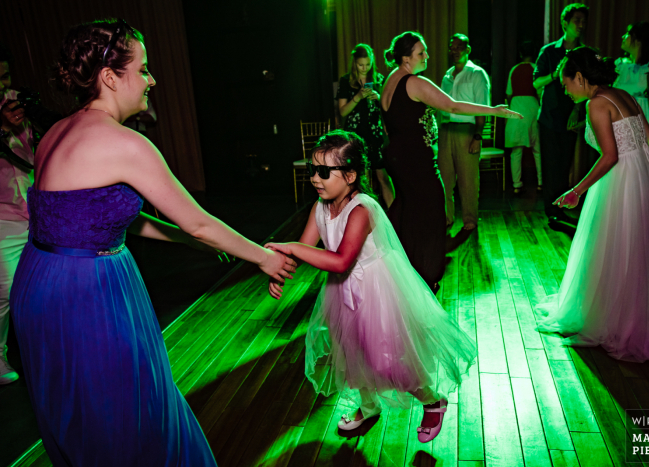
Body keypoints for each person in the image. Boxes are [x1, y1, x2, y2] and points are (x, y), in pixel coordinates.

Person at [10, 19, 296, 466]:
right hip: (90, 292)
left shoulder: (54, 134)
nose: (152, 80)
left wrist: (192, 243)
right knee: (125, 411)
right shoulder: (125, 144)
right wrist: (264, 258)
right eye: (143, 69)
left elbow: (102, 216)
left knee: (78, 407)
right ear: (110, 77)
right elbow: (199, 222)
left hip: (41, 282)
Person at [265, 130, 476, 443]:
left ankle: (433, 400)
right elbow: (306, 246)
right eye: (313, 170)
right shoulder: (320, 208)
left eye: (324, 172)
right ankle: (368, 404)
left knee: (385, 359)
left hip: (376, 290)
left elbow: (340, 261)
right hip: (342, 292)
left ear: (350, 175)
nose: (315, 179)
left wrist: (291, 248)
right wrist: (280, 270)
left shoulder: (362, 210)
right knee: (352, 354)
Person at [533, 47, 649, 363]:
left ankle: (617, 321)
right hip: (647, 177)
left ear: (580, 77)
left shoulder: (596, 104)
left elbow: (609, 156)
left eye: (566, 82)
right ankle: (645, 316)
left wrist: (577, 190)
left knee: (616, 247)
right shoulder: (624, 94)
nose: (565, 89)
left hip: (621, 180)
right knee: (642, 247)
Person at [379, 31, 521, 292]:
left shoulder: (389, 80)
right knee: (433, 213)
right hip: (417, 161)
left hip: (398, 158)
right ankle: (427, 273)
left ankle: (403, 270)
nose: (427, 56)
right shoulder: (413, 81)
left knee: (409, 211)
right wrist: (494, 111)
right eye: (421, 53)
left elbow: (390, 127)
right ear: (406, 58)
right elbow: (452, 106)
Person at [0, 46, 38, 386]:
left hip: (31, 206)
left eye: (6, 76)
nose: (3, 85)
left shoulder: (15, 101)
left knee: (37, 284)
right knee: (7, 289)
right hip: (1, 217)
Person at [534, 3, 589, 223]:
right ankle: (551, 210)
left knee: (564, 164)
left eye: (583, 21)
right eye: (577, 20)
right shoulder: (548, 51)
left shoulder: (584, 54)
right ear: (564, 23)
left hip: (571, 117)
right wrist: (554, 76)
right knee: (550, 164)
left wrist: (577, 111)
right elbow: (536, 82)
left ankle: (560, 206)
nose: (581, 25)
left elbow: (588, 88)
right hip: (548, 117)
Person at [438, 34, 490, 230]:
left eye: (460, 47)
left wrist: (478, 135)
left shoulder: (477, 74)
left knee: (468, 179)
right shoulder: (447, 75)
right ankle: (446, 217)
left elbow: (482, 107)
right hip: (446, 130)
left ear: (468, 49)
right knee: (444, 178)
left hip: (467, 130)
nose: (455, 50)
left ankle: (470, 219)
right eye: (452, 47)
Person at [336, 44, 394, 207]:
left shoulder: (379, 79)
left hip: (375, 136)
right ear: (354, 63)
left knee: (383, 176)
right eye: (361, 65)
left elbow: (388, 109)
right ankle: (362, 216)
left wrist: (380, 98)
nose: (364, 68)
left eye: (368, 64)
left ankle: (394, 217)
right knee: (358, 178)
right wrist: (358, 96)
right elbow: (342, 112)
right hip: (355, 135)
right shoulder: (346, 81)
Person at [614, 22, 649, 156]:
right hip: (621, 119)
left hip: (643, 118)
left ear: (638, 40)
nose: (623, 36)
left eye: (627, 34)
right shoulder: (620, 65)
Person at [505, 40, 543, 194]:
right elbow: (540, 93)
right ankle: (541, 182)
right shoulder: (536, 69)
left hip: (516, 106)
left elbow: (508, 93)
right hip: (533, 107)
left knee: (516, 150)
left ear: (520, 54)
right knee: (537, 149)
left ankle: (516, 184)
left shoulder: (514, 70)